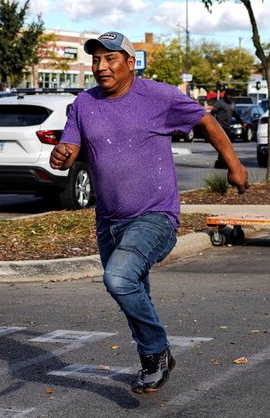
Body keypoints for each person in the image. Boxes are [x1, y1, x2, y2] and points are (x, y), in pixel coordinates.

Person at [49, 31, 249, 394]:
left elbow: (206, 121)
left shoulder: (158, 96)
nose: (101, 66)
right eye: (96, 59)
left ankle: (155, 351)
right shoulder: (83, 104)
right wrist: (60, 155)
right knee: (133, 289)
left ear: (130, 62)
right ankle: (155, 357)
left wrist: (234, 164)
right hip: (109, 221)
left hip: (155, 216)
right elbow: (69, 147)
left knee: (119, 278)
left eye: (110, 58)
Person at [210, 93, 244, 168]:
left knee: (227, 145)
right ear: (225, 96)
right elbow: (213, 112)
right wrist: (211, 122)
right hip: (220, 126)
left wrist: (242, 123)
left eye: (230, 96)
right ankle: (220, 161)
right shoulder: (220, 103)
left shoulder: (232, 104)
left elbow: (236, 115)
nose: (229, 97)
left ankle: (224, 161)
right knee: (222, 144)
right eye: (227, 96)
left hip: (228, 127)